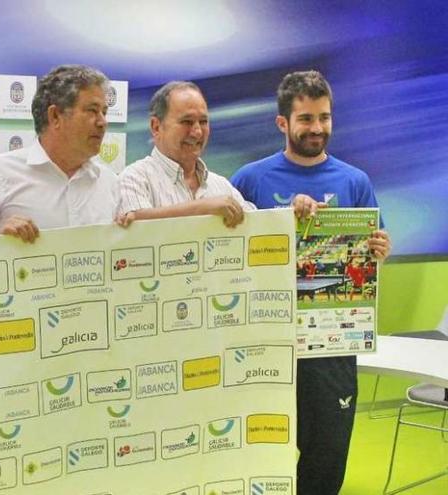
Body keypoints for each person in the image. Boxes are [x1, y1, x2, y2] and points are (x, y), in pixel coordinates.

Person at [231, 70, 391, 495]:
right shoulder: (249, 179)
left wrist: (378, 250)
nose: (317, 128)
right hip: (264, 340)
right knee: (260, 453)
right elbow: (226, 257)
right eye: (305, 118)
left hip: (332, 347)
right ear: (283, 123)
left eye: (324, 117)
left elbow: (369, 258)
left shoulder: (355, 181)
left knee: (327, 456)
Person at [0, 64, 127, 248]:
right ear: (55, 116)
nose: (103, 122)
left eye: (104, 112)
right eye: (92, 111)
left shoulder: (109, 182)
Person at [117, 81, 256, 227]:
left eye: (203, 122)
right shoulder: (133, 180)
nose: (197, 132)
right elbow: (134, 228)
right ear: (156, 127)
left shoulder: (222, 187)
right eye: (187, 122)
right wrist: (201, 208)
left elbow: (257, 226)